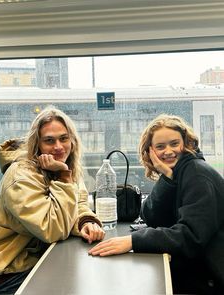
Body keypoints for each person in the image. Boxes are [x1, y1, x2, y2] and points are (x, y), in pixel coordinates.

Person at [89, 114, 224, 294]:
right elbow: (152, 217)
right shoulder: (178, 173)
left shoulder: (198, 175)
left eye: (174, 144)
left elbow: (191, 237)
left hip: (209, 278)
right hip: (195, 268)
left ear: (186, 143)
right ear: (151, 151)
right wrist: (166, 179)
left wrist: (133, 241)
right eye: (160, 147)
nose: (168, 151)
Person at [0, 106, 105, 294]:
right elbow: (52, 228)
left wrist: (86, 221)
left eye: (64, 138)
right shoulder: (21, 176)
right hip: (3, 271)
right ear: (38, 144)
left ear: (72, 141)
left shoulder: (64, 168)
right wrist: (63, 177)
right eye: (49, 140)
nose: (58, 147)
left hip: (28, 260)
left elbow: (78, 204)